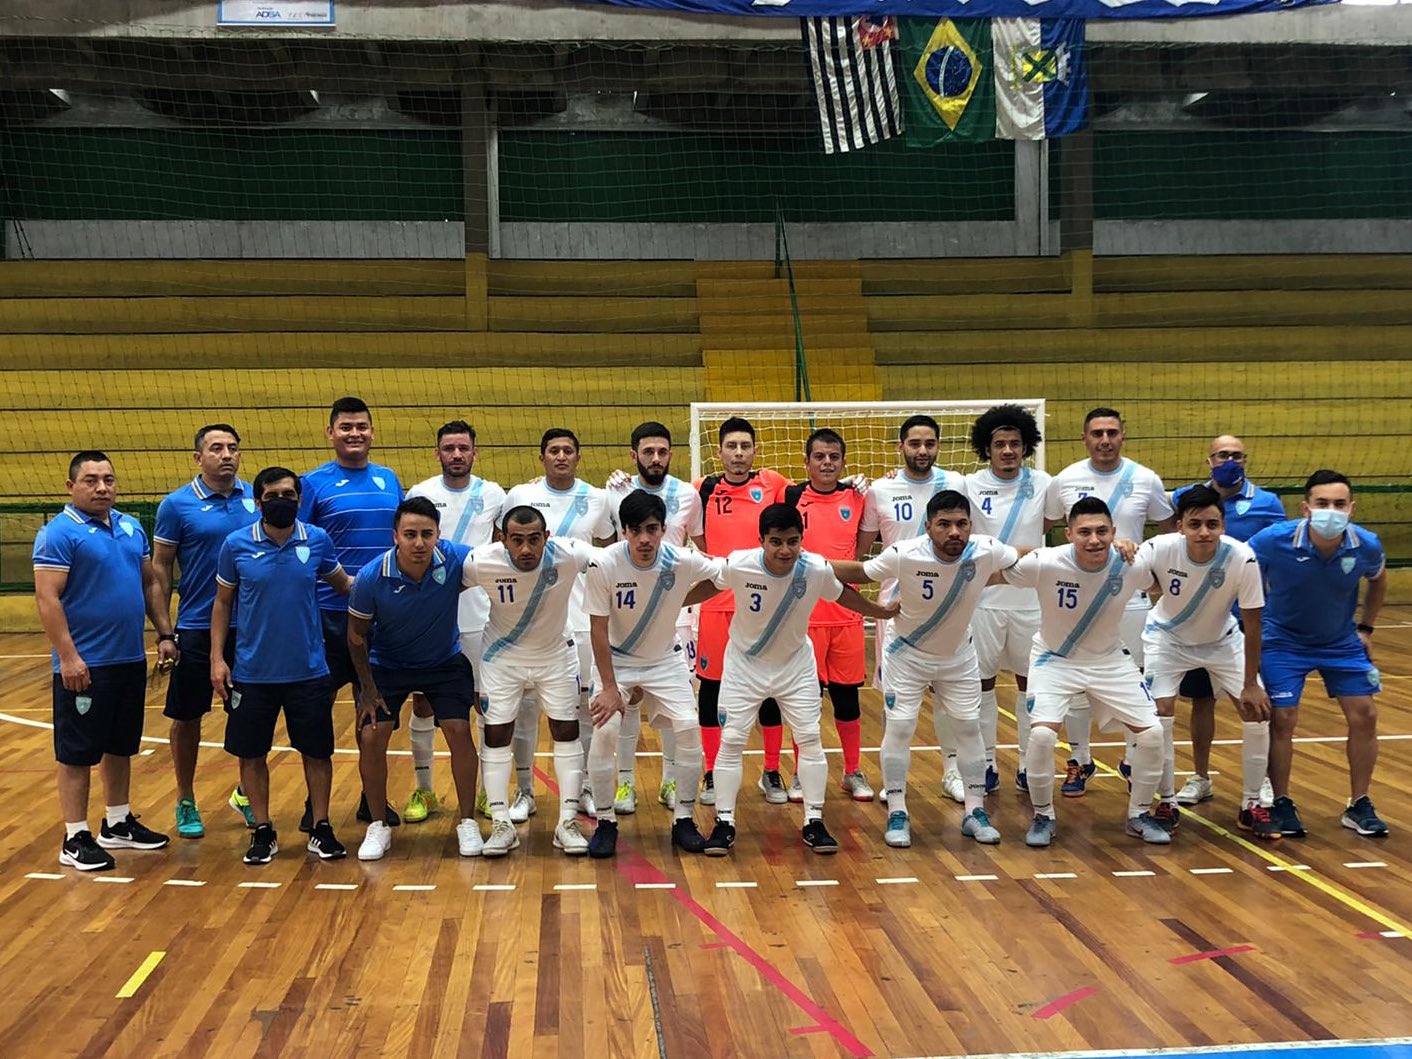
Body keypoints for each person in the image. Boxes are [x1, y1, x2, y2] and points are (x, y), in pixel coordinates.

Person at [701, 504, 897, 857]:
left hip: (795, 666)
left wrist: (880, 611)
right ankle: (724, 822)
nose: (784, 550)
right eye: (775, 542)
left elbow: (846, 594)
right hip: (745, 666)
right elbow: (704, 586)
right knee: (731, 741)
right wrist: (666, 608)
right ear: (760, 540)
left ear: (801, 540)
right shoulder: (739, 564)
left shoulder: (815, 568)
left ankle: (814, 820)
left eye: (792, 541)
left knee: (809, 738)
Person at [831, 491, 1023, 848]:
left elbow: (1023, 558)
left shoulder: (987, 549)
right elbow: (860, 572)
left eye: (962, 524)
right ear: (928, 526)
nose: (955, 532)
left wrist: (1081, 551)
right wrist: (802, 560)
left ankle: (975, 810)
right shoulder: (905, 554)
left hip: (959, 657)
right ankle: (898, 811)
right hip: (907, 656)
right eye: (945, 524)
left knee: (969, 727)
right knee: (901, 727)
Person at [35, 451, 176, 871]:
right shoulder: (59, 533)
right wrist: (69, 657)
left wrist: (165, 633)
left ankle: (116, 823)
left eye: (109, 480)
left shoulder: (131, 527)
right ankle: (75, 835)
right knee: (77, 753)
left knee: (120, 746)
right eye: (92, 480)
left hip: (129, 658)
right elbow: (47, 598)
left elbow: (151, 582)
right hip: (85, 664)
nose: (102, 488)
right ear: (71, 486)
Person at [1003, 497, 1169, 847]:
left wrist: (1135, 551)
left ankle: (1139, 814)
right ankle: (1043, 815)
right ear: (1068, 534)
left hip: (1109, 660)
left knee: (1153, 733)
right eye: (1085, 532)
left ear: (1114, 533)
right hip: (1054, 659)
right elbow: (998, 567)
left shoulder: (1129, 565)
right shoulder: (1046, 561)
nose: (1094, 539)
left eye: (1102, 532)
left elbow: (1156, 583)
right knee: (1043, 737)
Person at [210, 467, 354, 865]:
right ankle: (262, 829)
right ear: (258, 502)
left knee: (317, 752)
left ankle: (321, 827)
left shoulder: (318, 540)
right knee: (251, 754)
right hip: (252, 673)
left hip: (309, 669)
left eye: (289, 495)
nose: (282, 501)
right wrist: (217, 659)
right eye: (273, 495)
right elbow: (222, 604)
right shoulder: (236, 545)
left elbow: (344, 585)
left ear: (299, 499)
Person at [1248, 470, 1389, 839]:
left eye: (1339, 504)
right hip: (1282, 641)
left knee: (1365, 715)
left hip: (1340, 641)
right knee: (1283, 717)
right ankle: (1281, 801)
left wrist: (1366, 628)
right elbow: (1244, 580)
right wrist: (1249, 631)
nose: (1331, 511)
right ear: (1306, 507)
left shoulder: (1366, 544)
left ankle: (1359, 804)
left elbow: (1378, 579)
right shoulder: (1271, 541)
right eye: (1323, 503)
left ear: (1352, 508)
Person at [584, 490, 723, 857]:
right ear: (624, 531)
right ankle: (605, 822)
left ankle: (683, 819)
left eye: (651, 529)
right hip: (616, 660)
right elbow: (598, 629)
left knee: (688, 729)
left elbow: (723, 577)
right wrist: (610, 688)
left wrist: (680, 598)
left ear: (663, 529)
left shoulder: (682, 560)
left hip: (664, 659)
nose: (644, 539)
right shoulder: (604, 564)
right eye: (635, 530)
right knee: (605, 731)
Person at [346, 497, 484, 860]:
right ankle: (378, 825)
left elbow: (500, 562)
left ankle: (467, 822)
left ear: (439, 535)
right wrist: (367, 690)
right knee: (372, 735)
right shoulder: (371, 576)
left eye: (427, 534)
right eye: (410, 534)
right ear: (396, 536)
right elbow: (356, 635)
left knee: (458, 730)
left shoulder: (456, 558)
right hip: (388, 665)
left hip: (444, 660)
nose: (419, 543)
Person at [1046, 408, 1174, 796]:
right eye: (1097, 433)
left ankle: (1133, 760)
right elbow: (1048, 528)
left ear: (1123, 436)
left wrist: (1146, 561)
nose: (1105, 440)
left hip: (1130, 598)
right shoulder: (1065, 479)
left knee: (1136, 680)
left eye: (1112, 432)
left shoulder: (1146, 479)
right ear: (1084, 438)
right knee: (1077, 682)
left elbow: (1168, 534)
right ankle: (1080, 760)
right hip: (1077, 602)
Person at [1138, 486, 1276, 839]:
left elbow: (1254, 622)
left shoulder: (1242, 558)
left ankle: (1251, 805)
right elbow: (1124, 574)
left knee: (1257, 710)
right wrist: (1124, 548)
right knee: (1161, 713)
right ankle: (1166, 801)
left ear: (1223, 525)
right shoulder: (1157, 549)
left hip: (1222, 641)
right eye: (1195, 524)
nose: (1204, 532)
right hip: (1167, 639)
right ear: (1179, 525)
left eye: (1212, 524)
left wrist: (1249, 684)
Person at [465, 506, 597, 858]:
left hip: (555, 657)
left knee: (567, 730)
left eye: (534, 540)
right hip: (501, 660)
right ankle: (501, 825)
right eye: (518, 541)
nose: (526, 550)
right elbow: (442, 587)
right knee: (495, 734)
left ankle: (567, 822)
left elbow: (616, 564)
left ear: (547, 538)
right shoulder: (481, 562)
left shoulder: (570, 554)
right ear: (503, 540)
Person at [297, 396, 404, 828]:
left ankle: (370, 797)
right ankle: (314, 804)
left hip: (381, 617)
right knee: (317, 711)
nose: (354, 433)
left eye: (362, 426)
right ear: (330, 433)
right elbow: (299, 546)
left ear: (372, 432)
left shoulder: (389, 479)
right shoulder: (314, 484)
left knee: (375, 710)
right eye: (346, 427)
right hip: (328, 615)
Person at [152, 423, 258, 838]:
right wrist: (164, 629)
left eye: (233, 447)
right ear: (198, 457)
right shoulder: (177, 505)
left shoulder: (256, 499)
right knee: (187, 716)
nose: (226, 455)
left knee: (249, 715)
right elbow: (160, 567)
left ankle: (248, 795)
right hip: (196, 626)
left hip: (249, 628)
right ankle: (185, 798)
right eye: (216, 448)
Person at [1167, 434, 1285, 809]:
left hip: (1244, 619)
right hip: (1195, 620)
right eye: (1222, 455)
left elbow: (1278, 558)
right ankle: (1200, 777)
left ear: (1245, 459)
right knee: (1200, 701)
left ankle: (1261, 783)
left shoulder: (1267, 504)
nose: (1228, 460)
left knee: (1253, 701)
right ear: (1209, 460)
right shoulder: (1186, 498)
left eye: (1235, 455)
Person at [503, 428, 614, 820]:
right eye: (554, 450)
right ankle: (525, 791)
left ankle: (583, 786)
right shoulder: (520, 495)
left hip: (582, 620)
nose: (561, 456)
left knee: (583, 709)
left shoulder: (599, 499)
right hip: (530, 618)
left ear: (578, 457)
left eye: (568, 450)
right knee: (526, 707)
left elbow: (609, 547)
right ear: (542, 457)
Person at [857, 414, 967, 802]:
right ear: (900, 446)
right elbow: (861, 548)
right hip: (896, 607)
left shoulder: (956, 484)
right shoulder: (880, 491)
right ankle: (894, 777)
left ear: (938, 445)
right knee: (895, 698)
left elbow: (972, 540)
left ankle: (953, 771)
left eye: (930, 443)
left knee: (947, 693)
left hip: (949, 606)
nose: (923, 450)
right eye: (915, 443)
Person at [405, 420, 505, 824]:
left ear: (475, 453)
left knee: (486, 704)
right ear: (438, 453)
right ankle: (425, 790)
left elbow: (503, 552)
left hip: (480, 617)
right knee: (424, 701)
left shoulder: (495, 494)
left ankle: (486, 792)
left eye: (464, 448)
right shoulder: (420, 493)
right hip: (430, 617)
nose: (457, 455)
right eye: (449, 448)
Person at [603, 421, 703, 814]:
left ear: (671, 455)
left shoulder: (688, 495)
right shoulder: (614, 491)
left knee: (678, 703)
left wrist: (683, 598)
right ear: (634, 455)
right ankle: (625, 784)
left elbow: (703, 551)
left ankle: (670, 781)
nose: (656, 459)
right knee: (626, 702)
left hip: (674, 614)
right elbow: (606, 548)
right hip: (625, 611)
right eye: (648, 452)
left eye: (663, 452)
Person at [691, 416, 790, 805]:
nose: (738, 453)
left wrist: (859, 486)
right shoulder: (702, 489)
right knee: (712, 689)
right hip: (716, 606)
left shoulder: (776, 486)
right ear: (719, 452)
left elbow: (820, 492)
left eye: (745, 446)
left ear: (754, 451)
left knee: (769, 689)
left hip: (765, 607)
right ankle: (712, 772)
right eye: (731, 446)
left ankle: (770, 771)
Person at [962, 404, 1051, 796]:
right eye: (1000, 444)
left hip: (1031, 600)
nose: (1008, 450)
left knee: (1029, 684)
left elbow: (1048, 528)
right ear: (988, 448)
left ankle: (1029, 764)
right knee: (981, 683)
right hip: (983, 601)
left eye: (1015, 443)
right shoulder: (968, 484)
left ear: (1026, 446)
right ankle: (986, 762)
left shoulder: (1046, 484)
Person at [783, 428, 874, 803]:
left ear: (843, 461)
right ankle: (801, 773)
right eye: (819, 457)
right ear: (806, 462)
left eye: (834, 457)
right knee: (804, 700)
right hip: (803, 617)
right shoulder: (789, 495)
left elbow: (861, 552)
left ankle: (852, 770)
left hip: (846, 616)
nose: (827, 463)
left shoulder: (857, 497)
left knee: (847, 698)